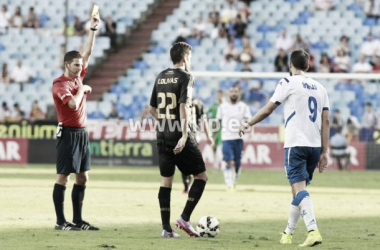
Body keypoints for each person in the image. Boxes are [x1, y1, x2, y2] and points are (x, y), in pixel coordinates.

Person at [239, 49, 329, 247]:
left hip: (296, 144)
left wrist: (248, 124)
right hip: (314, 146)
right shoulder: (320, 87)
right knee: (297, 191)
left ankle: (313, 231)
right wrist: (325, 152)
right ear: (307, 66)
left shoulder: (287, 82)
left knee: (299, 190)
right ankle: (287, 233)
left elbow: (269, 109)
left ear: (290, 65)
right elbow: (326, 120)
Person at [149, 42, 208, 238]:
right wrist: (183, 134)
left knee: (166, 182)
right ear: (184, 58)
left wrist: (166, 123)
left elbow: (152, 109)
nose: (190, 61)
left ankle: (166, 229)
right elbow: (183, 106)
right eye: (189, 58)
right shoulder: (186, 77)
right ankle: (184, 218)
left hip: (162, 134)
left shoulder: (160, 76)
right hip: (179, 135)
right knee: (201, 177)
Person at [51, 15, 100, 231]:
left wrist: (92, 30)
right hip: (68, 133)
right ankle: (61, 222)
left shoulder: (77, 77)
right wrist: (83, 89)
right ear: (66, 65)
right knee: (63, 177)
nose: (80, 68)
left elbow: (88, 52)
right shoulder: (60, 84)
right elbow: (72, 105)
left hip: (81, 132)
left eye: (81, 65)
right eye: (76, 65)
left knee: (83, 177)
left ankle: (78, 220)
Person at [217, 86, 251, 190]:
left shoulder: (244, 106)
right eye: (231, 91)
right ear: (228, 93)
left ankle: (234, 181)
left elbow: (248, 120)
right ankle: (228, 184)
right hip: (226, 138)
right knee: (227, 160)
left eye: (236, 91)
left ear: (239, 93)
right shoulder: (222, 107)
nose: (234, 93)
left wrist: (245, 127)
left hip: (239, 138)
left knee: (237, 162)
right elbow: (218, 121)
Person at [207, 90, 224, 170]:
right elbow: (206, 113)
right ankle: (215, 164)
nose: (219, 96)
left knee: (221, 147)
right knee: (213, 146)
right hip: (213, 128)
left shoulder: (225, 105)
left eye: (220, 95)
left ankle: (222, 165)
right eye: (218, 95)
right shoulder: (213, 105)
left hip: (223, 128)